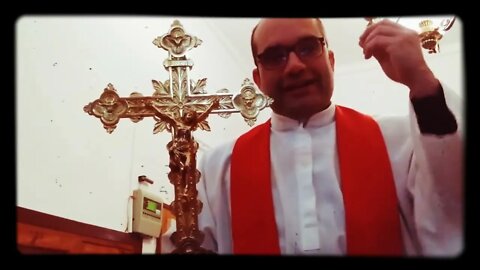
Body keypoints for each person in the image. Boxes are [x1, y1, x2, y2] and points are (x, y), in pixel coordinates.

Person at [195, 18, 463, 256]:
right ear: (258, 79)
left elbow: (449, 209)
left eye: (308, 47)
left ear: (331, 61)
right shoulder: (218, 166)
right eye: (275, 56)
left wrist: (420, 80)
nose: (295, 66)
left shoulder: (400, 140)